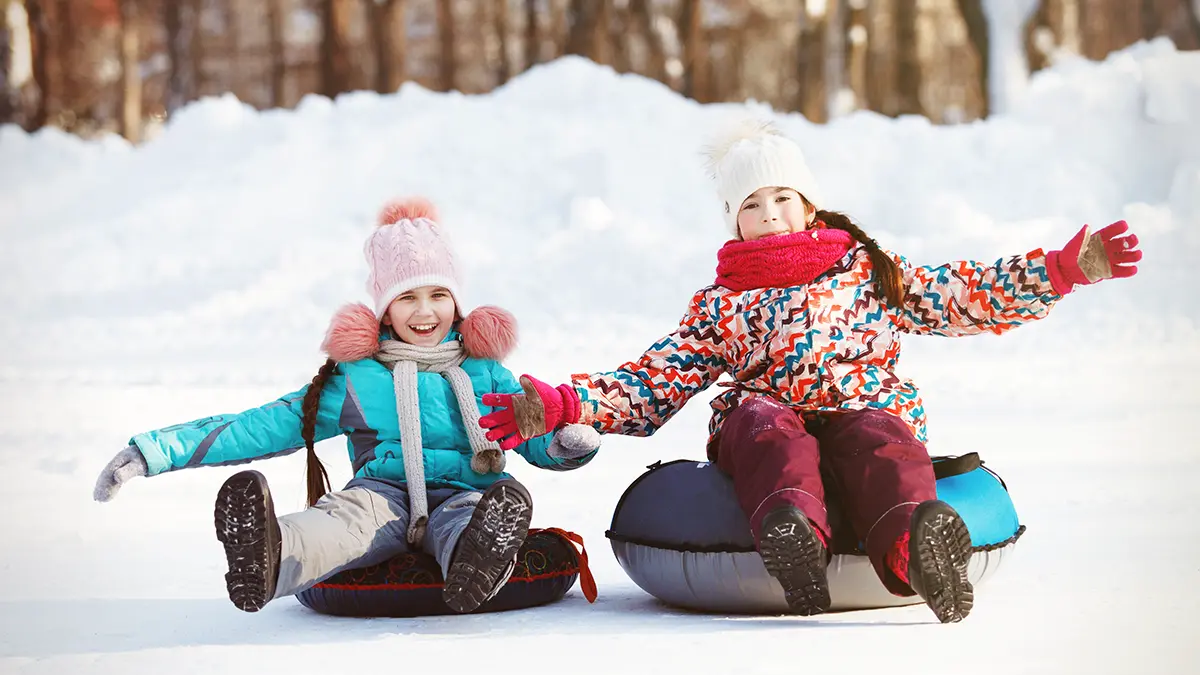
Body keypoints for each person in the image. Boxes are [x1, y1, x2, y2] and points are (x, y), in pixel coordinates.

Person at [479, 121, 1141, 623]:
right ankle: (793, 535)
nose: (768, 211)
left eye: (780, 196)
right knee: (767, 425)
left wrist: (1058, 270)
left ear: (810, 205)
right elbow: (656, 378)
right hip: (765, 417)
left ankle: (916, 547)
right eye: (750, 203)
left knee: (885, 437)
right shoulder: (721, 302)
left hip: (862, 405)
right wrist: (567, 403)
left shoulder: (869, 270)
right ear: (733, 221)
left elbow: (960, 294)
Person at [94, 197, 600, 614]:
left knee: (468, 521)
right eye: (406, 299)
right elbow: (272, 424)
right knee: (339, 525)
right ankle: (269, 549)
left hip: (468, 489)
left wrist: (562, 444)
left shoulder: (485, 370)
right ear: (383, 308)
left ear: (458, 300)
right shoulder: (358, 377)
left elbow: (527, 433)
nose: (424, 312)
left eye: (437, 294)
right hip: (381, 494)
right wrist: (155, 452)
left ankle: (478, 559)